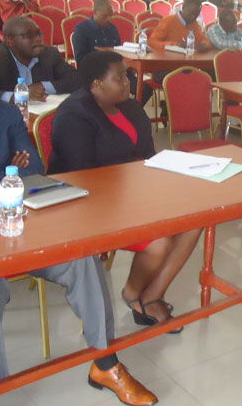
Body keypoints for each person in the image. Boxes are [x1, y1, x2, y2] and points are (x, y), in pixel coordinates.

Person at [0, 48, 158, 405]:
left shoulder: (5, 113)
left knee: (82, 256)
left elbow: (34, 169)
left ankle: (105, 361)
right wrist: (4, 173)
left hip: (20, 225)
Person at [49, 50, 201, 331]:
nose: (127, 82)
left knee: (194, 219)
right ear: (96, 84)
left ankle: (152, 295)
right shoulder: (74, 115)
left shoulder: (130, 107)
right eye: (119, 78)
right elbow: (81, 177)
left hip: (133, 195)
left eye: (126, 76)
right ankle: (133, 295)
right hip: (88, 205)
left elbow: (147, 155)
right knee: (159, 242)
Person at [0, 16, 81, 102]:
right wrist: (17, 96)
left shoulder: (49, 53)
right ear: (10, 41)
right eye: (29, 35)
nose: (38, 39)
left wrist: (42, 86)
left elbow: (76, 79)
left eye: (39, 34)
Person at [72, 0, 121, 64]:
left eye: (111, 15)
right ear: (95, 12)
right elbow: (81, 59)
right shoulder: (81, 29)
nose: (109, 19)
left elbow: (119, 51)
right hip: (93, 67)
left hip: (112, 66)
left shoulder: (112, 28)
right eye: (105, 16)